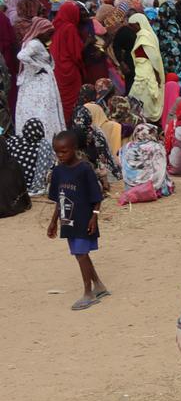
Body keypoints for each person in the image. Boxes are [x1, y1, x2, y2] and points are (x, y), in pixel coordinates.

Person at [46, 130, 107, 311]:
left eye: (64, 151)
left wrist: (94, 217)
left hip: (84, 219)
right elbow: (59, 199)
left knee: (81, 254)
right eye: (57, 152)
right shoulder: (58, 171)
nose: (60, 155)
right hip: (67, 220)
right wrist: (53, 221)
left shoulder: (85, 169)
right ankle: (99, 286)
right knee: (81, 254)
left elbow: (97, 196)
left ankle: (88, 293)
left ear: (74, 148)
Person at [16, 18, 65, 143]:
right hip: (38, 83)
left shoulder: (38, 43)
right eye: (48, 33)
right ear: (40, 31)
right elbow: (21, 56)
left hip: (38, 83)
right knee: (43, 109)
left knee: (40, 109)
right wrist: (38, 67)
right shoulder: (34, 44)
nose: (50, 36)